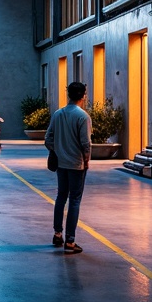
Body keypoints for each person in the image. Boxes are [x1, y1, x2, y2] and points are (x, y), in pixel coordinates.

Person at [44, 81, 91, 254]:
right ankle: (70, 241)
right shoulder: (83, 116)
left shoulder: (58, 114)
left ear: (68, 94)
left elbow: (47, 139)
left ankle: (57, 234)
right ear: (83, 96)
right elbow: (86, 143)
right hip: (76, 164)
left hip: (61, 164)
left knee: (61, 196)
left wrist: (56, 151)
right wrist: (86, 160)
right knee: (75, 200)